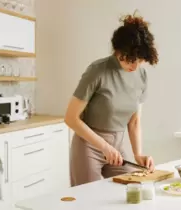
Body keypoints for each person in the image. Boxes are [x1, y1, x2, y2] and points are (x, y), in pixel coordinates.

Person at [65, 12, 159, 187]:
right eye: (131, 59)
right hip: (88, 145)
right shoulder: (97, 71)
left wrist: (138, 155)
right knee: (88, 199)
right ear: (118, 51)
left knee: (136, 186)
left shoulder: (141, 75)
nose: (135, 66)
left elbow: (134, 122)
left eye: (139, 60)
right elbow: (71, 118)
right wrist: (104, 147)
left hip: (117, 145)